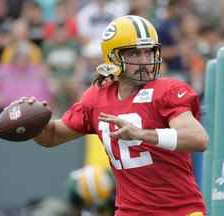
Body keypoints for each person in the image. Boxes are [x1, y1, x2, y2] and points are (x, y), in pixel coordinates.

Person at [21, 15, 208, 216]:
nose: (145, 60)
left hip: (180, 210)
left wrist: (142, 134)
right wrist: (30, 120)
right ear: (113, 57)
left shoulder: (167, 90)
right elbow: (51, 136)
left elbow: (198, 139)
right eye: (136, 54)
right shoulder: (96, 97)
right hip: (130, 211)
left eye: (149, 52)